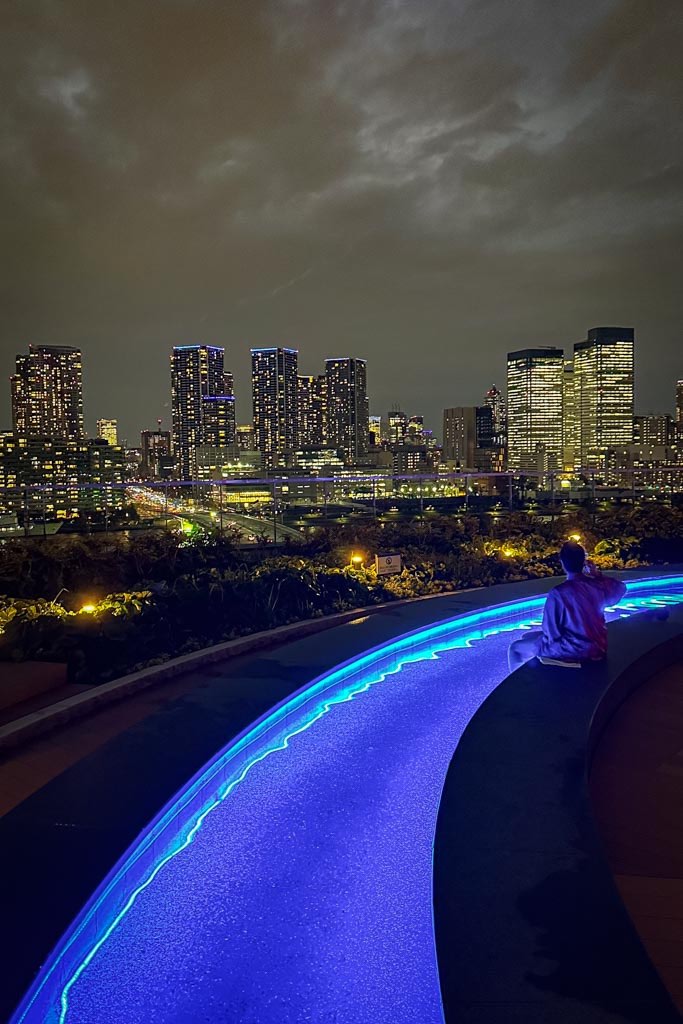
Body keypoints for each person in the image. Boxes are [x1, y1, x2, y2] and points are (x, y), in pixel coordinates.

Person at [507, 541, 627, 672]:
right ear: (583, 562)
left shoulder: (558, 593)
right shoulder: (596, 586)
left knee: (515, 649)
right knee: (528, 636)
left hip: (575, 650)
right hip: (598, 646)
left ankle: (518, 689)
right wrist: (596, 575)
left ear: (562, 563)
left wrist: (545, 645)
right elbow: (620, 588)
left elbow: (551, 632)